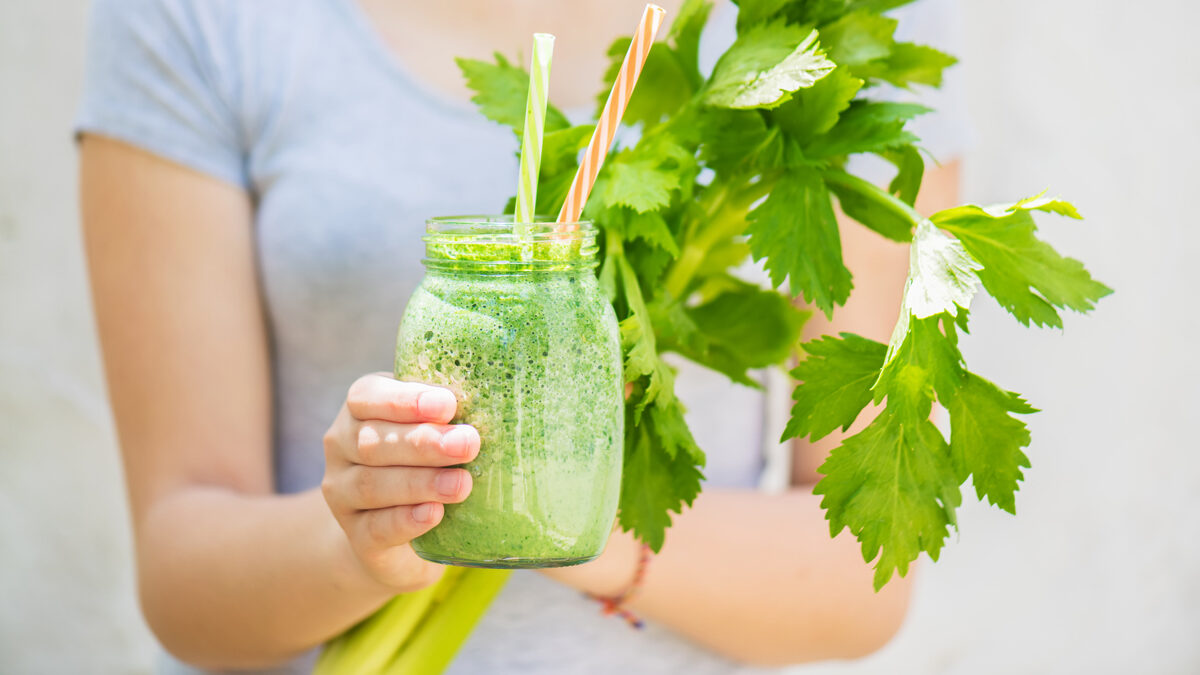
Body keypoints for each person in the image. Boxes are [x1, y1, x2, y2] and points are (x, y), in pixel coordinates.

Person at [77, 0, 968, 672]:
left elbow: (862, 568)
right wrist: (363, 541)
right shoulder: (203, 18)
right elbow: (181, 567)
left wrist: (562, 509)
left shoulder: (837, 24)